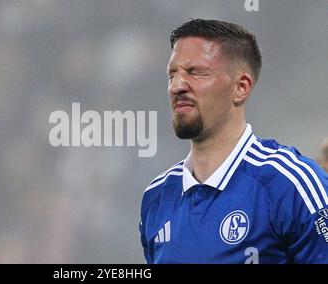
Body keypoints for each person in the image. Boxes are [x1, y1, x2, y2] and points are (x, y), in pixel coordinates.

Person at [139, 19, 328, 264]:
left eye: (195, 72)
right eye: (172, 74)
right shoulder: (156, 196)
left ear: (241, 87)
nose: (177, 86)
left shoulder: (293, 185)